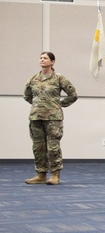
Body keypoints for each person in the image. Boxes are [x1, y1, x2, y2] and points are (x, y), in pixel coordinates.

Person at [23, 51, 78, 185]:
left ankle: (55, 175)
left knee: (53, 147)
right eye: (40, 58)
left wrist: (58, 104)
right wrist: (38, 105)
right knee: (38, 147)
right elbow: (27, 95)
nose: (42, 60)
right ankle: (40, 174)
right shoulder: (33, 78)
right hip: (36, 117)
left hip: (53, 118)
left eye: (45, 58)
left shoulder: (59, 78)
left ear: (52, 62)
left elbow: (73, 95)